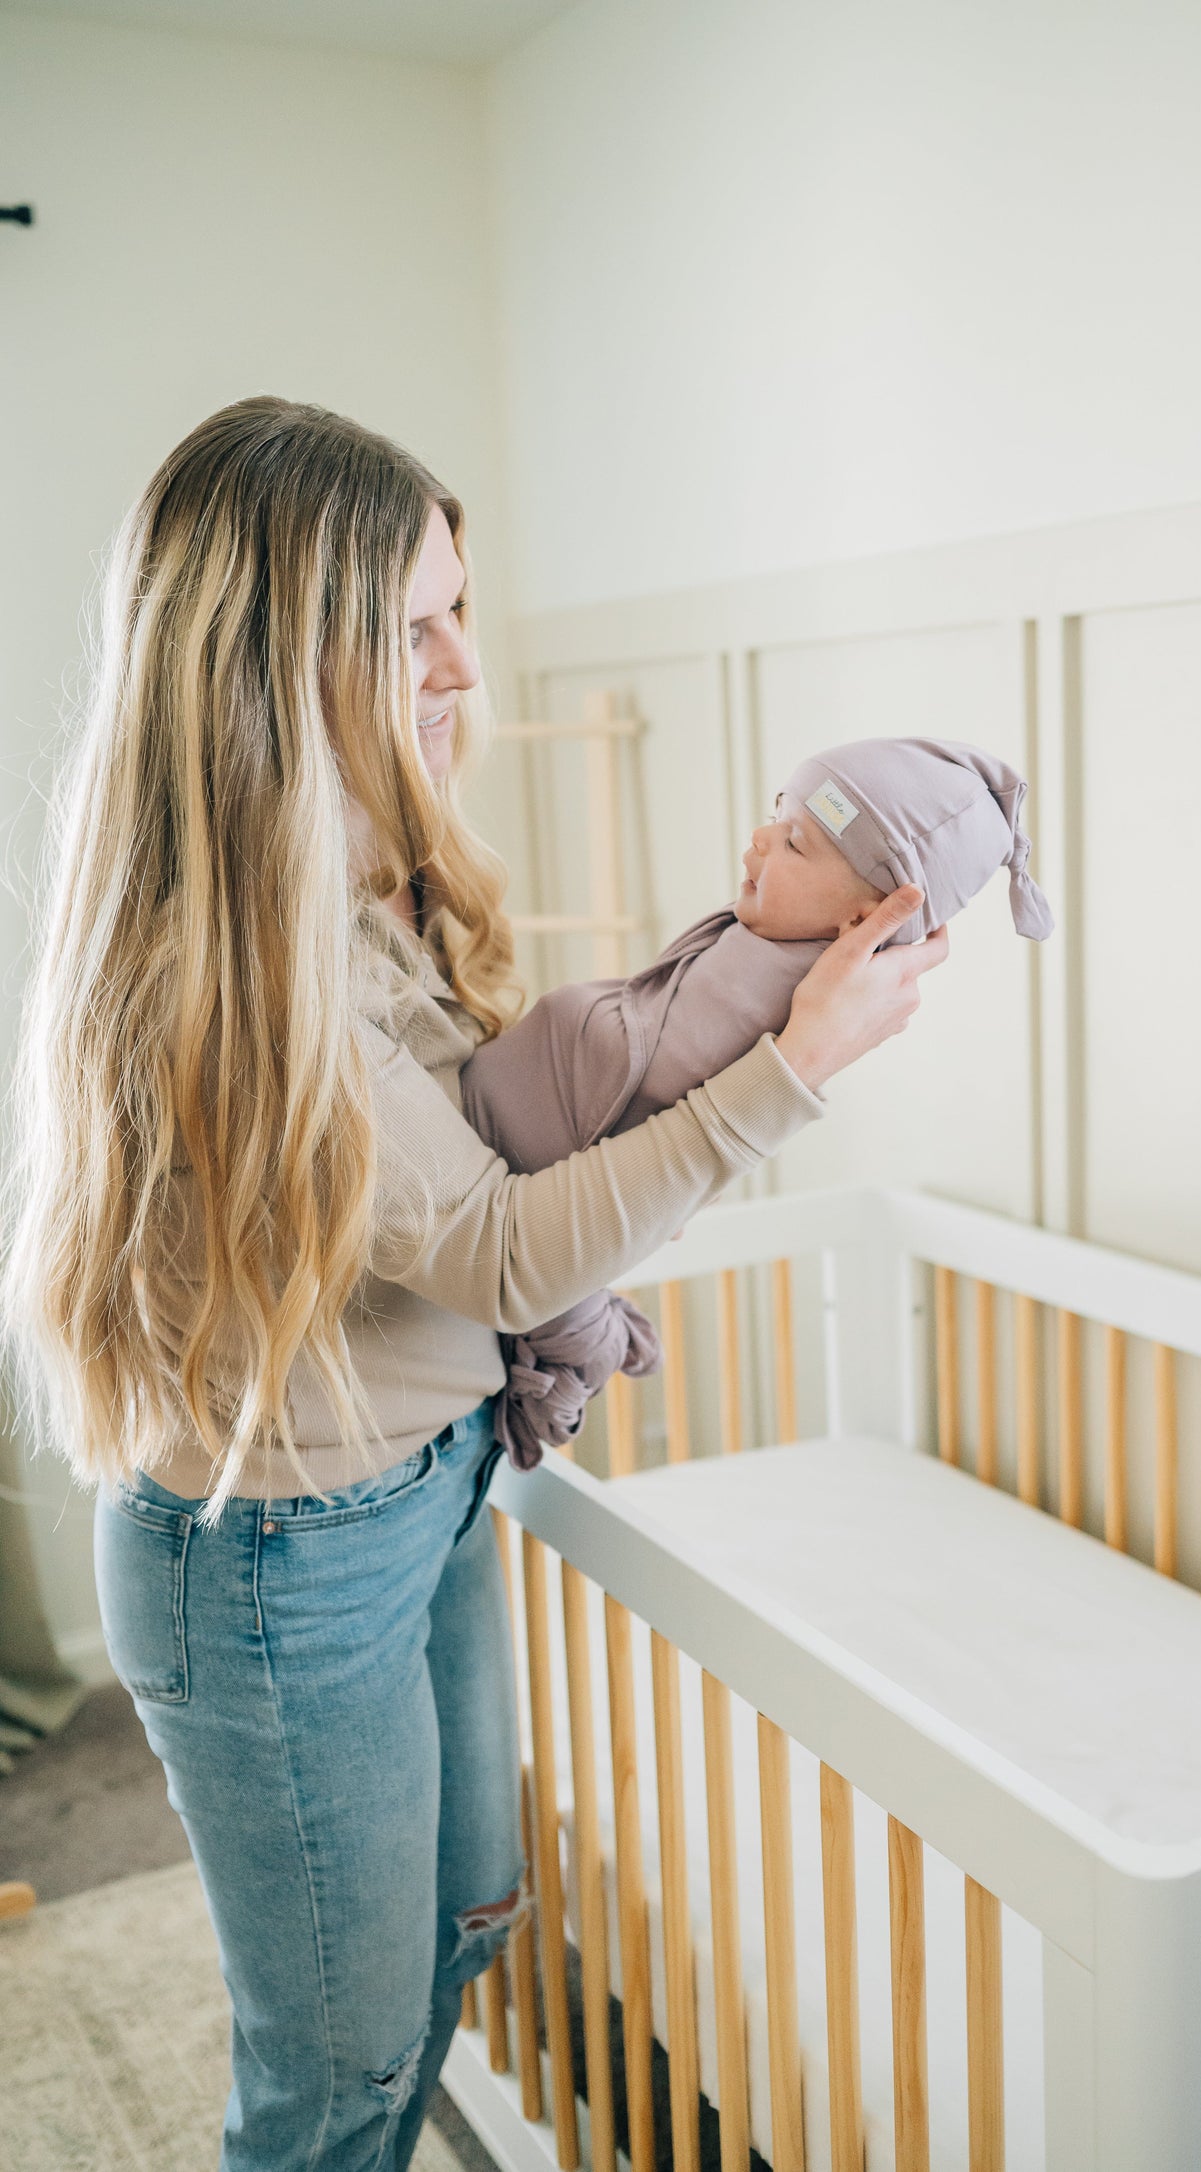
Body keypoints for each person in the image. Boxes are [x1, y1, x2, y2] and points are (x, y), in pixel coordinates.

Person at [1, 396, 947, 2172]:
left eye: (461, 607)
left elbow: (507, 1132)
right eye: (415, 624)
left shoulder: (362, 878)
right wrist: (790, 1066)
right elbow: (507, 1246)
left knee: (462, 1933)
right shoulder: (239, 964)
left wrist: (726, 998)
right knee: (337, 2078)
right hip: (282, 1563)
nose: (462, 662)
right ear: (294, 661)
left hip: (425, 1488)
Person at [466, 735, 1053, 1466]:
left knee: (566, 1290)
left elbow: (629, 1096)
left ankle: (574, 1357)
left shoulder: (774, 999)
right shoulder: (788, 955)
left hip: (521, 1160)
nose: (761, 837)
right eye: (779, 813)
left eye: (795, 843)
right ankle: (579, 1338)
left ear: (863, 920)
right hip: (508, 1148)